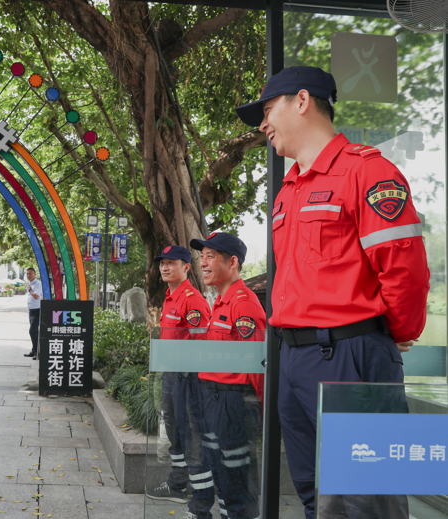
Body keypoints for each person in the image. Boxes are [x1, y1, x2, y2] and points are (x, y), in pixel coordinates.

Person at [236, 65, 429, 519]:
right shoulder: (288, 190)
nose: (263, 124)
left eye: (268, 110)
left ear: (302, 101)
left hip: (350, 356)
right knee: (314, 495)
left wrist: (390, 332)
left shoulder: (367, 171)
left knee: (367, 500)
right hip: (294, 360)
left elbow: (404, 267)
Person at [190, 232, 264, 519]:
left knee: (235, 475)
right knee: (220, 469)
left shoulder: (243, 303)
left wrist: (260, 409)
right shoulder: (220, 302)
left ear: (232, 262)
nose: (203, 263)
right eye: (201, 257)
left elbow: (258, 364)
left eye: (210, 256)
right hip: (213, 398)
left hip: (233, 403)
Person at [145, 245, 215, 518]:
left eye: (172, 263)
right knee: (174, 433)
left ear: (186, 267)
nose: (164, 267)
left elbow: (202, 345)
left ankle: (199, 504)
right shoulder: (170, 296)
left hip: (189, 379)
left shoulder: (192, 299)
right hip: (172, 375)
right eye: (162, 263)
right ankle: (177, 484)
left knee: (191, 440)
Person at [24, 267, 43, 358]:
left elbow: (36, 296)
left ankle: (37, 352)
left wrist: (30, 290)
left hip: (37, 310)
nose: (28, 275)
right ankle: (34, 351)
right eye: (27, 274)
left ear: (35, 274)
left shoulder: (38, 284)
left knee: (32, 331)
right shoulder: (30, 284)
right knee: (34, 332)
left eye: (30, 273)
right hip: (31, 311)